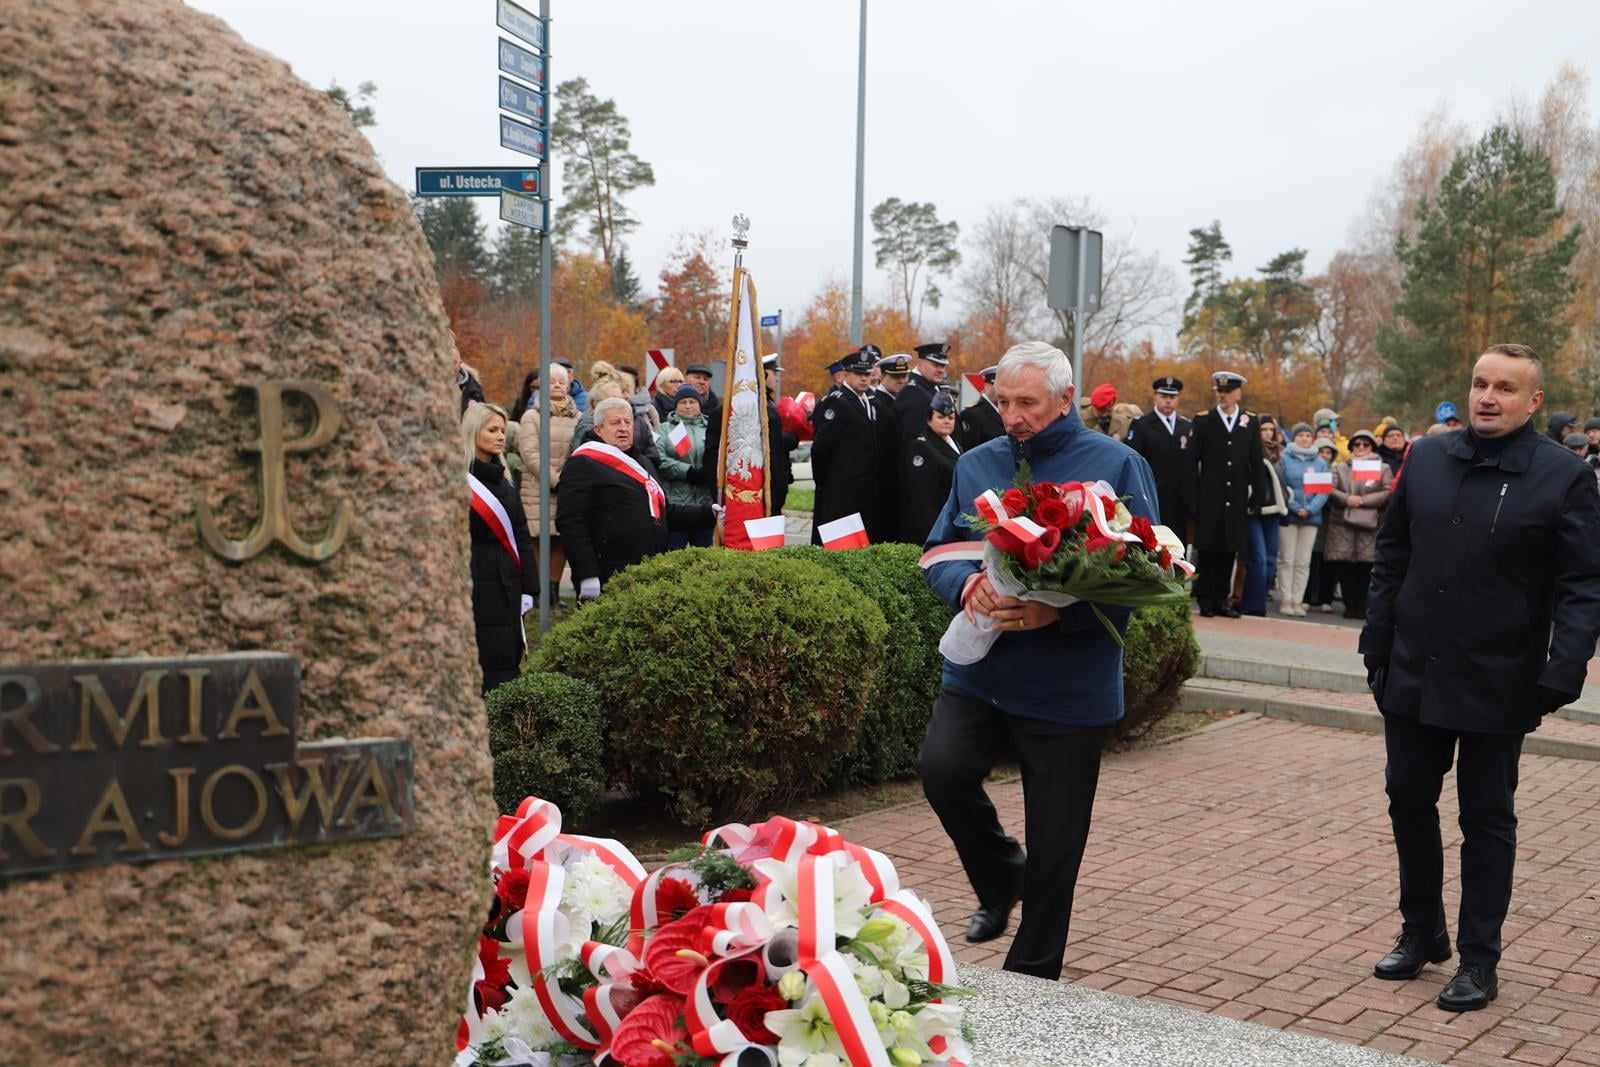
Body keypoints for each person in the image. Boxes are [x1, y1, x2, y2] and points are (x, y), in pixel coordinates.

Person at [1361, 343, 1600, 1012]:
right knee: (1407, 796)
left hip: (1502, 675)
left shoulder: (1563, 475)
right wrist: (1376, 641)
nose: (1487, 396)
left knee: (1486, 817)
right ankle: (1421, 928)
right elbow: (1393, 552)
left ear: (1532, 402)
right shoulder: (1430, 456)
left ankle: (1477, 957)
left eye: (1504, 387)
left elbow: (1583, 581)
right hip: (1412, 666)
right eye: (1479, 383)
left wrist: (1565, 663)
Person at [920, 340, 1159, 980]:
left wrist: (1063, 612)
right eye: (1003, 402)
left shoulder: (1117, 464)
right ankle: (1001, 876)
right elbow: (941, 549)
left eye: (1027, 403)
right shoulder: (976, 464)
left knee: (1057, 843)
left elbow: (1150, 575)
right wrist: (964, 584)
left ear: (1065, 398)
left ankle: (1033, 978)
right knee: (942, 772)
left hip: (1068, 686)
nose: (1013, 416)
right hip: (982, 669)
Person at [557, 397, 717, 599]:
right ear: (598, 430)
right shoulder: (583, 463)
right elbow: (571, 523)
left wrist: (709, 512)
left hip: (651, 571)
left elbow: (663, 511)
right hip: (609, 573)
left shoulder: (642, 461)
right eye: (615, 423)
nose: (623, 428)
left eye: (628, 422)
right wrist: (587, 574)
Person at [463, 403, 536, 693]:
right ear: (473, 432)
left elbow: (521, 534)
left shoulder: (505, 480)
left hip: (507, 581)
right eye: (492, 430)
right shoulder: (458, 479)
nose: (500, 436)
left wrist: (531, 588)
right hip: (472, 577)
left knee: (505, 656)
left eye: (503, 430)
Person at [1186, 371, 1264, 618]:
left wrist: (1258, 495)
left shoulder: (1250, 422)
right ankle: (1206, 598)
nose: (1223, 396)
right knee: (1208, 548)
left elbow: (1256, 461)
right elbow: (1191, 462)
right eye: (1220, 391)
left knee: (1230, 549)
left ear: (1238, 393)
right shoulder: (1203, 421)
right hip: (1210, 496)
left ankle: (1222, 599)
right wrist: (1192, 498)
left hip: (1237, 497)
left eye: (1228, 392)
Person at [811, 345, 899, 544]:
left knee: (862, 544)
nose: (864, 378)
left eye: (867, 374)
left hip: (865, 489)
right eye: (859, 373)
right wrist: (828, 483)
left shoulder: (867, 402)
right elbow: (820, 448)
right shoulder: (838, 402)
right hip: (843, 490)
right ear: (845, 374)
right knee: (843, 546)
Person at [516, 363, 581, 608]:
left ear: (568, 385)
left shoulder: (579, 418)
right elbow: (530, 453)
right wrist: (556, 479)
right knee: (538, 538)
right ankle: (538, 591)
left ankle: (554, 593)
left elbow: (579, 450)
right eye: (551, 381)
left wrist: (570, 478)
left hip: (568, 488)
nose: (556, 385)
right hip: (538, 488)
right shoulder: (531, 416)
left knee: (561, 539)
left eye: (561, 381)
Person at [1325, 429, 1393, 619]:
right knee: (1345, 567)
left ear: (1372, 446)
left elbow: (1387, 491)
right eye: (1357, 444)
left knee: (1366, 568)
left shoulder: (1383, 468)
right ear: (1351, 447)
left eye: (1366, 444)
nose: (1361, 447)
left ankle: (1363, 606)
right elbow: (1330, 488)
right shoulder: (1339, 468)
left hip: (1369, 523)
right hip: (1342, 523)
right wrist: (1347, 499)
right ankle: (1349, 604)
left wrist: (1364, 500)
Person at [1276, 423, 1329, 615]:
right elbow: (1280, 486)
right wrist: (1295, 508)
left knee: (1303, 561)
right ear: (1294, 437)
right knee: (1287, 559)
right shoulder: (1283, 458)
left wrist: (1311, 509)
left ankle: (1298, 600)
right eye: (1301, 435)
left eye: (1308, 435)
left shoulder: (1320, 462)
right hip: (1289, 515)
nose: (1305, 438)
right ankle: (1286, 599)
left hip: (1311, 517)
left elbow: (1324, 491)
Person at [1123, 377, 1190, 531]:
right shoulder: (1142, 425)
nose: (1168, 401)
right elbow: (1135, 463)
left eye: (1172, 397)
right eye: (1163, 397)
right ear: (1155, 397)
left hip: (1178, 501)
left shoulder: (1186, 426)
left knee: (1178, 547)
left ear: (1178, 399)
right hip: (1153, 496)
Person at [654, 384, 715, 549]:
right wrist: (687, 472)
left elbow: (721, 454)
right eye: (683, 402)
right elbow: (659, 459)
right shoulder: (664, 429)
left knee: (704, 560)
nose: (688, 406)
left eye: (692, 401)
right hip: (676, 506)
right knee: (674, 555)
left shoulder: (712, 427)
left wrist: (708, 472)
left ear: (699, 404)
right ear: (676, 405)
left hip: (705, 504)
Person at [1240, 414, 1288, 616]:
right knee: (1258, 560)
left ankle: (1259, 604)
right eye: (1263, 429)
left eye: (1271, 429)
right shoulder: (1248, 449)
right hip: (1254, 511)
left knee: (1270, 561)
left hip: (1274, 512)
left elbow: (1284, 483)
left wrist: (1287, 497)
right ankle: (1252, 607)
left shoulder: (1278, 453)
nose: (1268, 433)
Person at [899, 391, 962, 543]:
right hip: (934, 525)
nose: (946, 421)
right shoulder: (922, 447)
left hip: (950, 519)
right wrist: (935, 536)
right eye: (940, 417)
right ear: (929, 420)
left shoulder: (952, 443)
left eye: (950, 417)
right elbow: (923, 500)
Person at [1306, 440, 1341, 612]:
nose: (1325, 456)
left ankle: (1325, 597)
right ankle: (1308, 596)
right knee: (1311, 558)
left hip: (1331, 519)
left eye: (1328, 452)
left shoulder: (1337, 470)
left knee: (1328, 560)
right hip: (1312, 516)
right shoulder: (1310, 468)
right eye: (1322, 452)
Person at [893, 342, 950, 444]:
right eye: (935, 365)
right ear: (920, 363)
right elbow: (916, 439)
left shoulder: (932, 386)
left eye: (943, 366)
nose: (941, 370)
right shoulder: (912, 392)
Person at [955, 366, 1004, 452]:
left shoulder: (1007, 412)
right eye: (998, 385)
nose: (1003, 390)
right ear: (986, 385)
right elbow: (970, 451)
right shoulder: (972, 414)